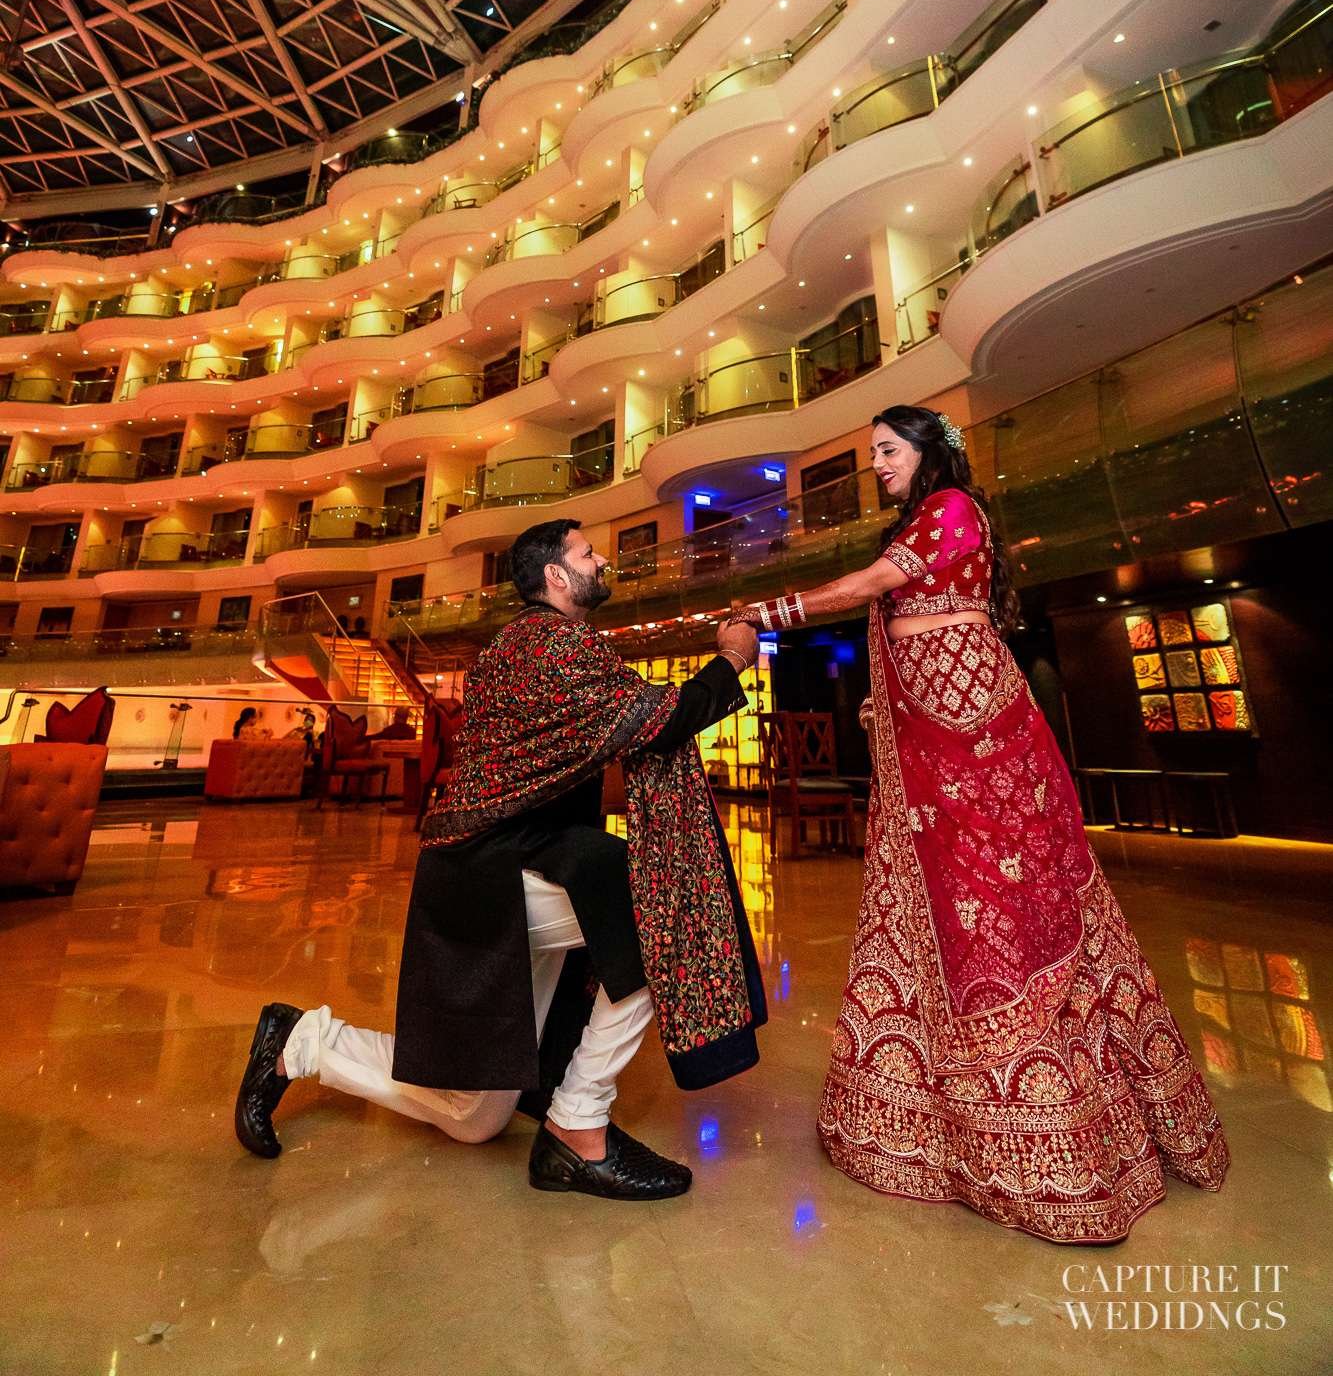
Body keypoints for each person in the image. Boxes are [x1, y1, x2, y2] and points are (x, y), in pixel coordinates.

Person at [735, 404, 1228, 1243]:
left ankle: (1048, 1126)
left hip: (974, 734)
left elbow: (869, 587)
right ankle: (950, 1125)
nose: (877, 464)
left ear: (927, 450)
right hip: (934, 732)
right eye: (873, 452)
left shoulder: (951, 507)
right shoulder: (925, 517)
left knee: (1001, 903)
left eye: (887, 449)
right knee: (949, 909)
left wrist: (763, 613)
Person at [235, 518, 763, 1202]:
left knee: (473, 1118)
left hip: (504, 864)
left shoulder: (522, 644)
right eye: (588, 553)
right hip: (490, 871)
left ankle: (301, 1042)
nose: (602, 561)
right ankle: (577, 1127)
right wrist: (733, 659)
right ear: (556, 575)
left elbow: (622, 725)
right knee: (667, 912)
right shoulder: (553, 646)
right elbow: (661, 718)